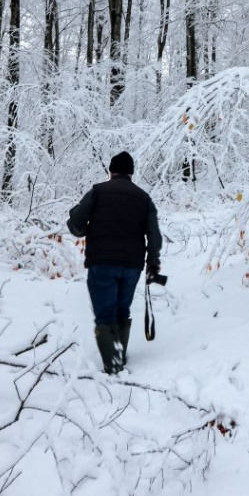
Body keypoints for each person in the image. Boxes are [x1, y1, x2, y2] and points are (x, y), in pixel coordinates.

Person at [67, 151, 163, 375]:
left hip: (102, 261)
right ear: (131, 173)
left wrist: (77, 219)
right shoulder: (144, 198)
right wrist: (153, 262)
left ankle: (113, 367)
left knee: (105, 315)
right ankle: (118, 358)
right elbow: (154, 234)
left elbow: (77, 223)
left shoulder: (98, 191)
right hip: (132, 265)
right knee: (122, 311)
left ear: (111, 171)